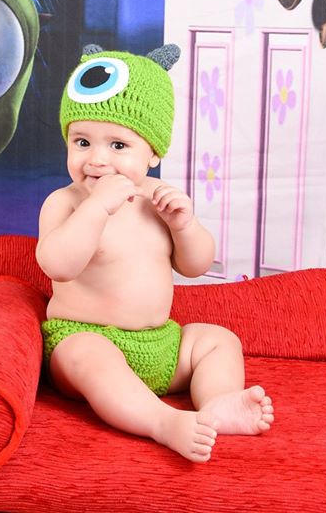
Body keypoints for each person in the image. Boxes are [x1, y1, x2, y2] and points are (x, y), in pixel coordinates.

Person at [36, 46, 274, 462]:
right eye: (82, 142)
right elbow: (58, 265)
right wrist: (97, 208)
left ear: (154, 152)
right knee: (87, 356)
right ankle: (161, 421)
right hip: (85, 338)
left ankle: (218, 402)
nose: (97, 159)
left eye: (118, 145)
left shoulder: (158, 200)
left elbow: (195, 266)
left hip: (161, 343)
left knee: (218, 340)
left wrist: (185, 225)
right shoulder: (66, 203)